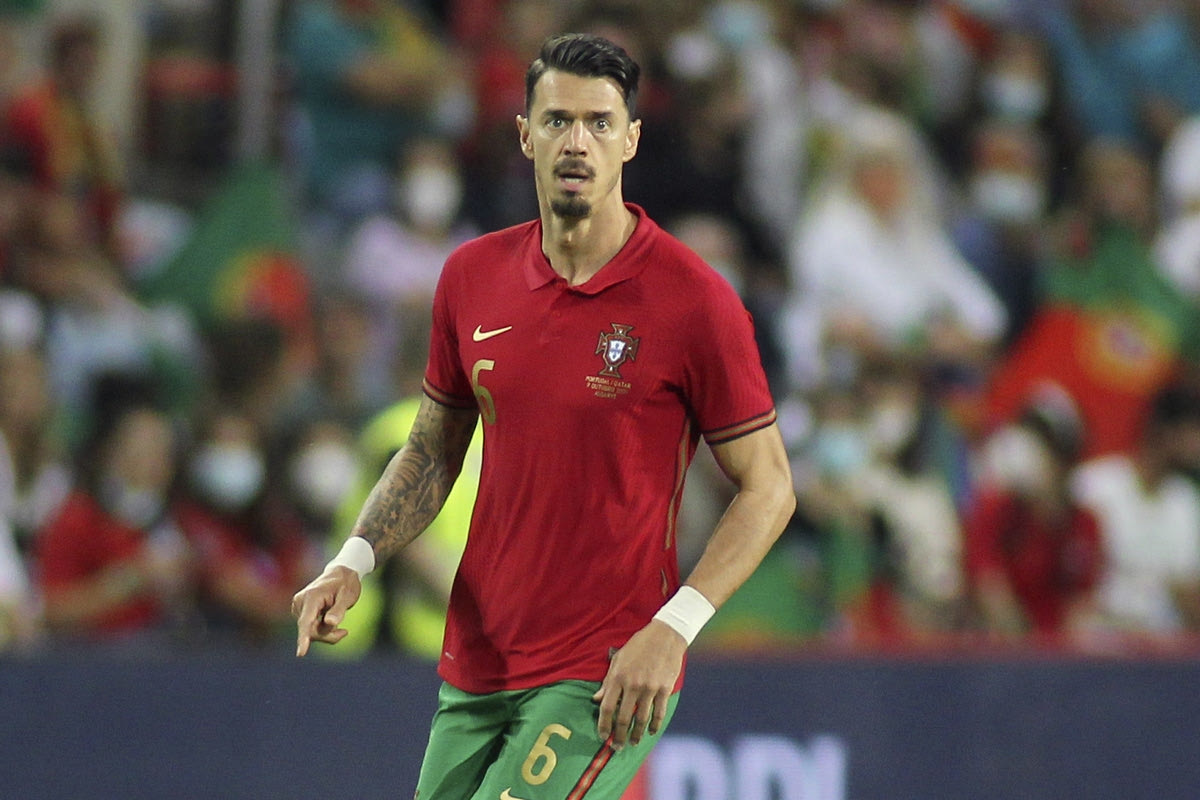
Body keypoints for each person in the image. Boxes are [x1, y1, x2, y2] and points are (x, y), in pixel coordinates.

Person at [291, 33, 795, 799]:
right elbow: (431, 450)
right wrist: (352, 561)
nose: (577, 142)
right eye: (558, 120)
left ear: (631, 139)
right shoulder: (471, 276)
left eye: (599, 122)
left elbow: (770, 486)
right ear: (526, 135)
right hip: (479, 664)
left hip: (605, 670)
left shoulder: (693, 299)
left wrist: (675, 626)